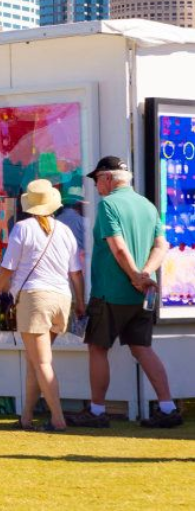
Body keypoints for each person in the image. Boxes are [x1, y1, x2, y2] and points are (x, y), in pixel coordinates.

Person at [70, 157, 184, 428]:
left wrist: (135, 276)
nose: (96, 186)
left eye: (97, 179)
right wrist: (145, 275)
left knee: (97, 348)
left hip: (110, 292)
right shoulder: (147, 205)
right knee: (143, 348)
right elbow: (161, 246)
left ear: (108, 178)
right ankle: (167, 407)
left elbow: (118, 248)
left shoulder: (109, 204)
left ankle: (97, 412)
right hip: (142, 295)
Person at [0, 180, 84, 431]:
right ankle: (26, 418)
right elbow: (76, 274)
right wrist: (81, 303)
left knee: (41, 362)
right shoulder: (65, 231)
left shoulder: (22, 228)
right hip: (61, 298)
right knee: (35, 361)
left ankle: (58, 420)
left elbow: (7, 269)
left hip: (35, 298)